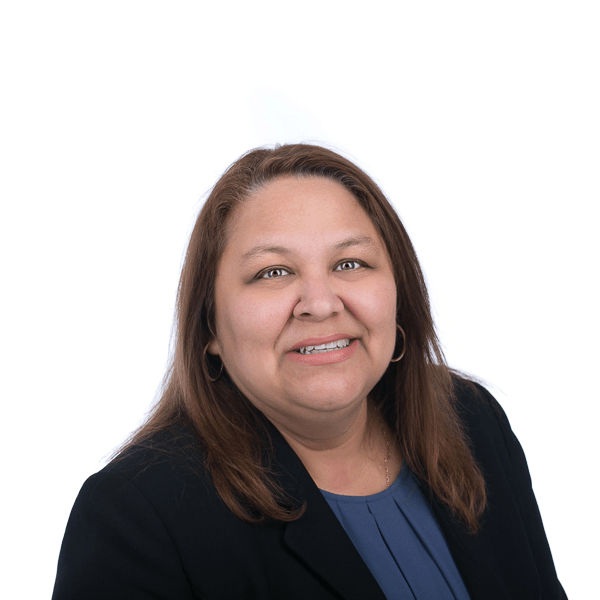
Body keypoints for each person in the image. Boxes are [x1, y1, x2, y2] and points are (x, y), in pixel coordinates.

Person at [52, 144, 566, 599]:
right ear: (209, 326)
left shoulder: (471, 420)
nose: (320, 304)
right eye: (273, 272)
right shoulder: (137, 516)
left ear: (398, 296)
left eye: (351, 263)